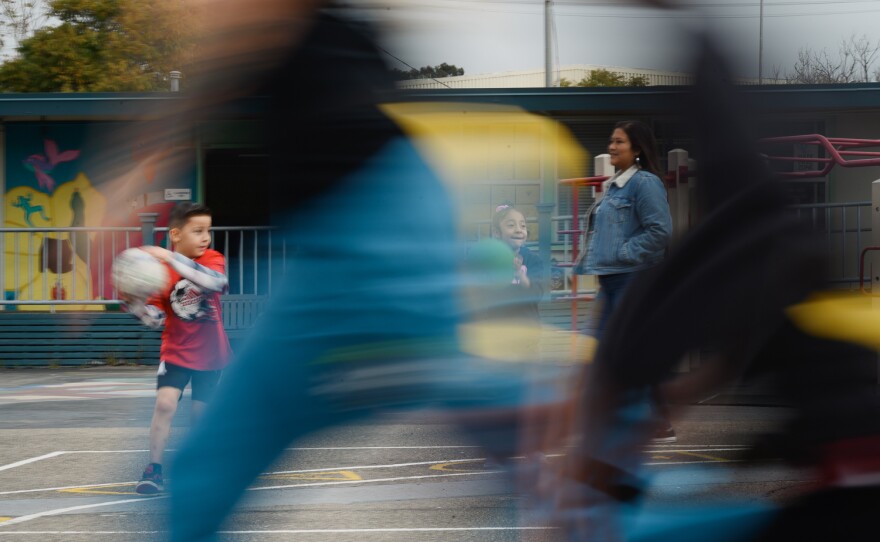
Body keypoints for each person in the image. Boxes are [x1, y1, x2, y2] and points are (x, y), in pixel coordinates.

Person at [573, 120, 675, 443]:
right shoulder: (616, 185)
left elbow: (659, 231)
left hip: (632, 278)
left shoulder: (644, 183)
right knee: (607, 349)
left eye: (619, 142)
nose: (611, 147)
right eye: (611, 141)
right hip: (611, 280)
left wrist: (624, 251)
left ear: (637, 148)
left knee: (620, 349)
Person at [123, 202, 231, 495]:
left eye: (208, 230)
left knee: (200, 416)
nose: (205, 237)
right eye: (197, 231)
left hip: (211, 354)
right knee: (165, 404)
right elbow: (154, 319)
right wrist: (134, 303)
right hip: (176, 352)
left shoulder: (212, 259)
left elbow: (216, 283)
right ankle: (154, 469)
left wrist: (170, 257)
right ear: (176, 234)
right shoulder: (158, 274)